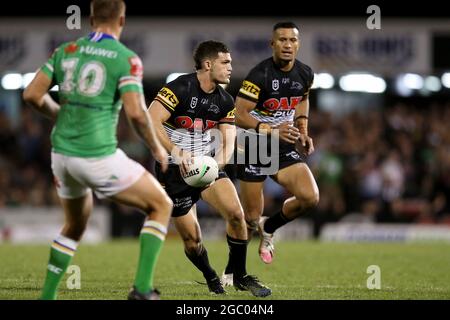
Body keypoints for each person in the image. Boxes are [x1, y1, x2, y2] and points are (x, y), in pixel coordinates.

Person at [23, 0, 172, 300]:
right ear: (122, 21)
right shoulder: (125, 59)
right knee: (161, 205)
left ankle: (47, 297)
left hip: (61, 157)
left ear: (90, 20)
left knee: (75, 225)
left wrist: (58, 113)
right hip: (96, 157)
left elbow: (32, 95)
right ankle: (142, 290)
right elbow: (135, 113)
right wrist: (157, 147)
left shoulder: (65, 50)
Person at [148, 40, 271, 297]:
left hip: (206, 166)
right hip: (173, 170)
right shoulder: (179, 88)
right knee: (192, 242)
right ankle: (211, 276)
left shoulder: (225, 100)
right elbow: (152, 119)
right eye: (225, 62)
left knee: (237, 216)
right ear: (208, 64)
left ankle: (241, 276)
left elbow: (228, 142)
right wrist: (177, 153)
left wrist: (216, 165)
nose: (230, 67)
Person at [222, 22, 319, 283]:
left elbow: (302, 99)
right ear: (272, 44)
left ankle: (270, 227)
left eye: (292, 40)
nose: (288, 45)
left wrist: (303, 130)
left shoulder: (305, 73)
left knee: (310, 197)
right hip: (253, 145)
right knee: (250, 217)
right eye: (282, 40)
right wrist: (271, 129)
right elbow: (238, 114)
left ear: (298, 44)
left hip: (283, 145)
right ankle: (232, 269)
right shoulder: (259, 75)